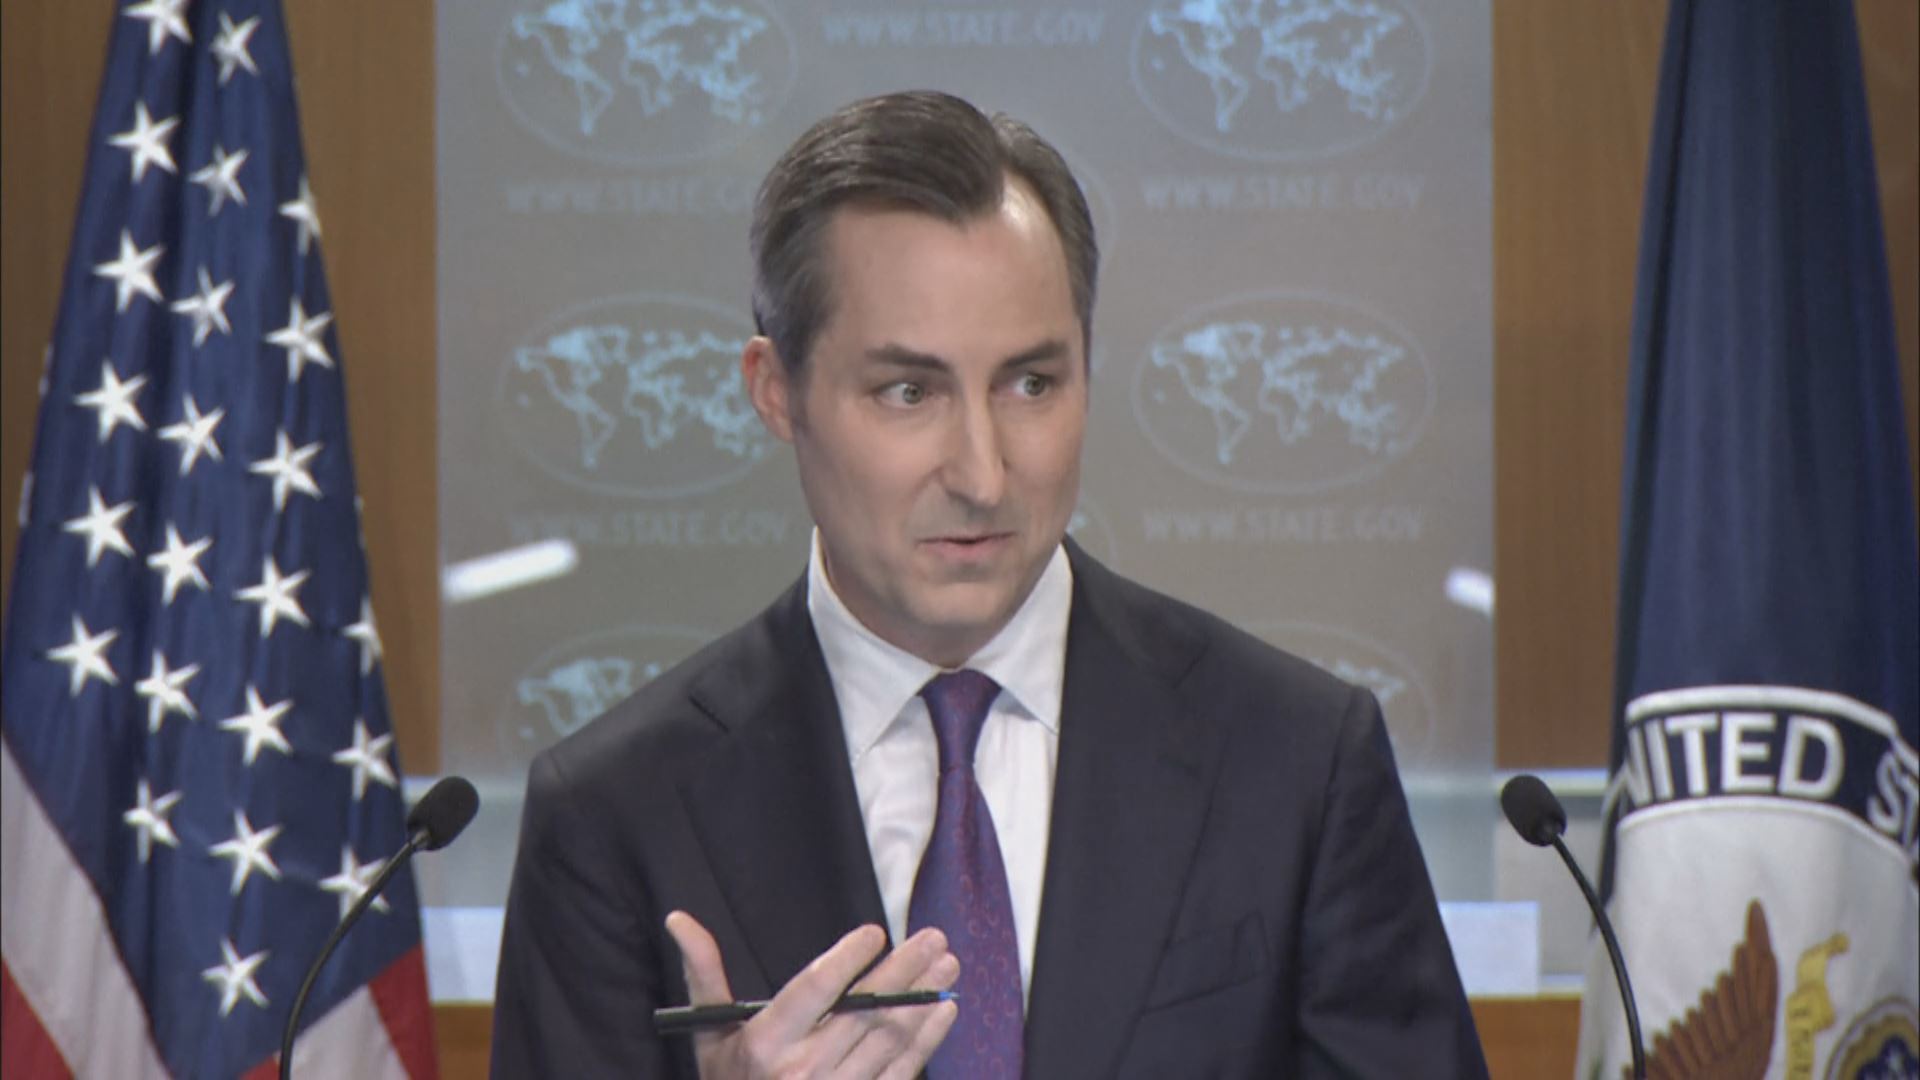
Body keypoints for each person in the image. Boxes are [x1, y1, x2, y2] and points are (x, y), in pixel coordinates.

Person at [490, 90, 1489, 1079]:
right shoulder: (612, 817)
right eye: (909, 392)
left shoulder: (1297, 763)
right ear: (776, 391)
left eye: (1031, 384)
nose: (981, 473)